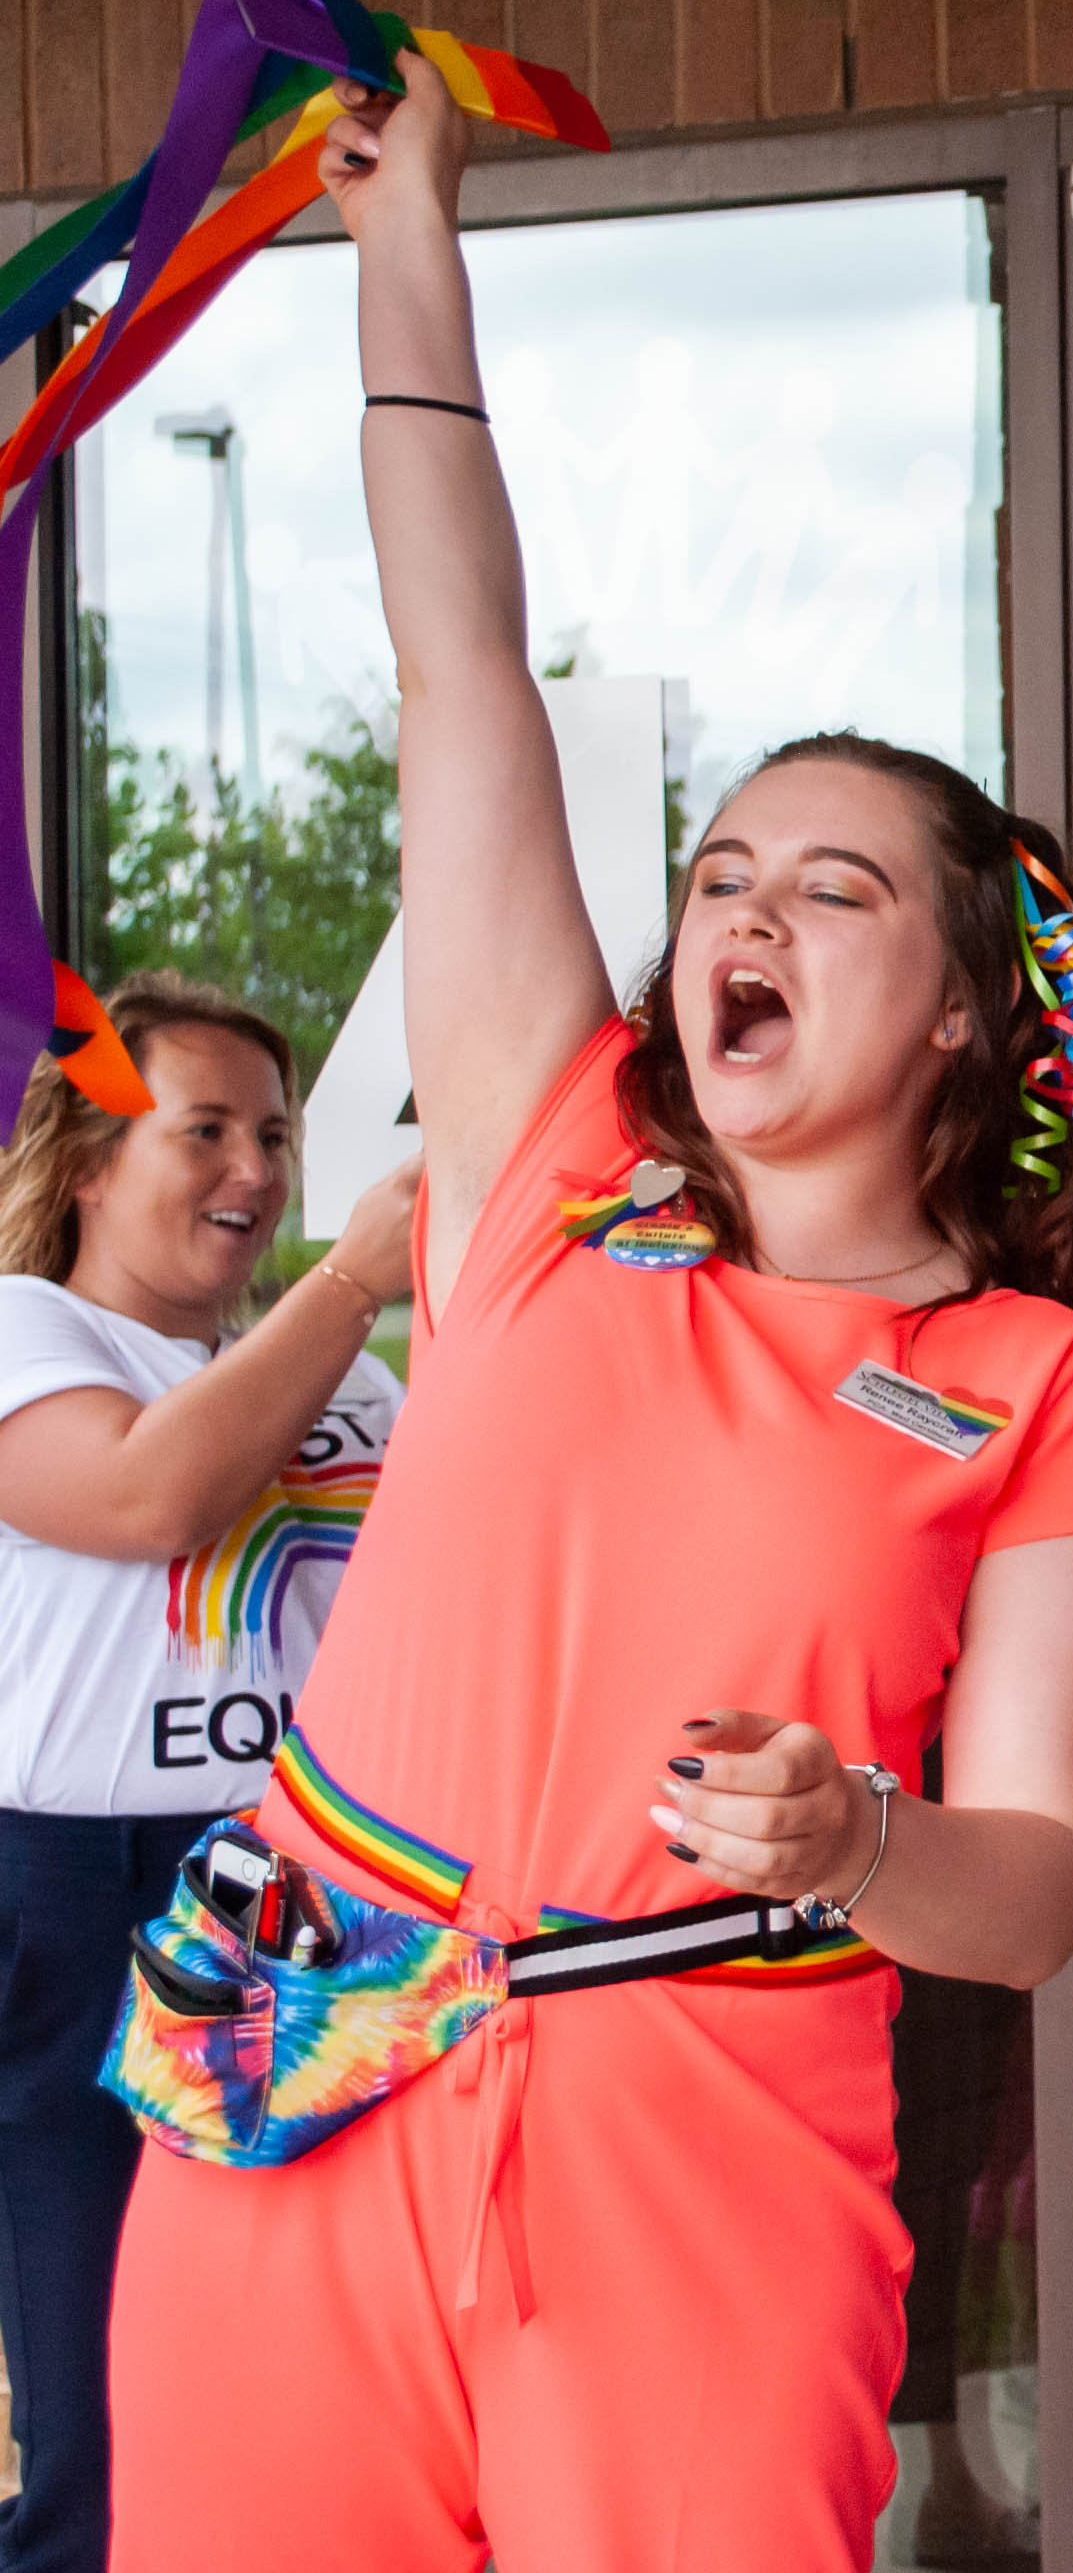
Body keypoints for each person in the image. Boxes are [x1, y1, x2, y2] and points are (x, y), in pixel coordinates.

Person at [99, 62, 1073, 2573]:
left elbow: (1022, 1886)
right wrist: (402, 242)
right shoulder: (552, 1166)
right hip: (295, 2042)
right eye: (717, 874)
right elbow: (466, 670)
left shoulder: (1041, 1390)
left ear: (965, 1025)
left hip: (696, 2118)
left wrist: (865, 1833)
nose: (740, 921)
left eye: (833, 891)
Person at [0, 977, 413, 2573]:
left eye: (276, 1131)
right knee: (104, 2388)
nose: (254, 1165)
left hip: (305, 1883)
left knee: (303, 2364)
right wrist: (351, 1284)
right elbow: (142, 1497)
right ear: (92, 1160)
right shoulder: (30, 1330)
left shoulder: (348, 1381)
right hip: (84, 1884)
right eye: (207, 1130)